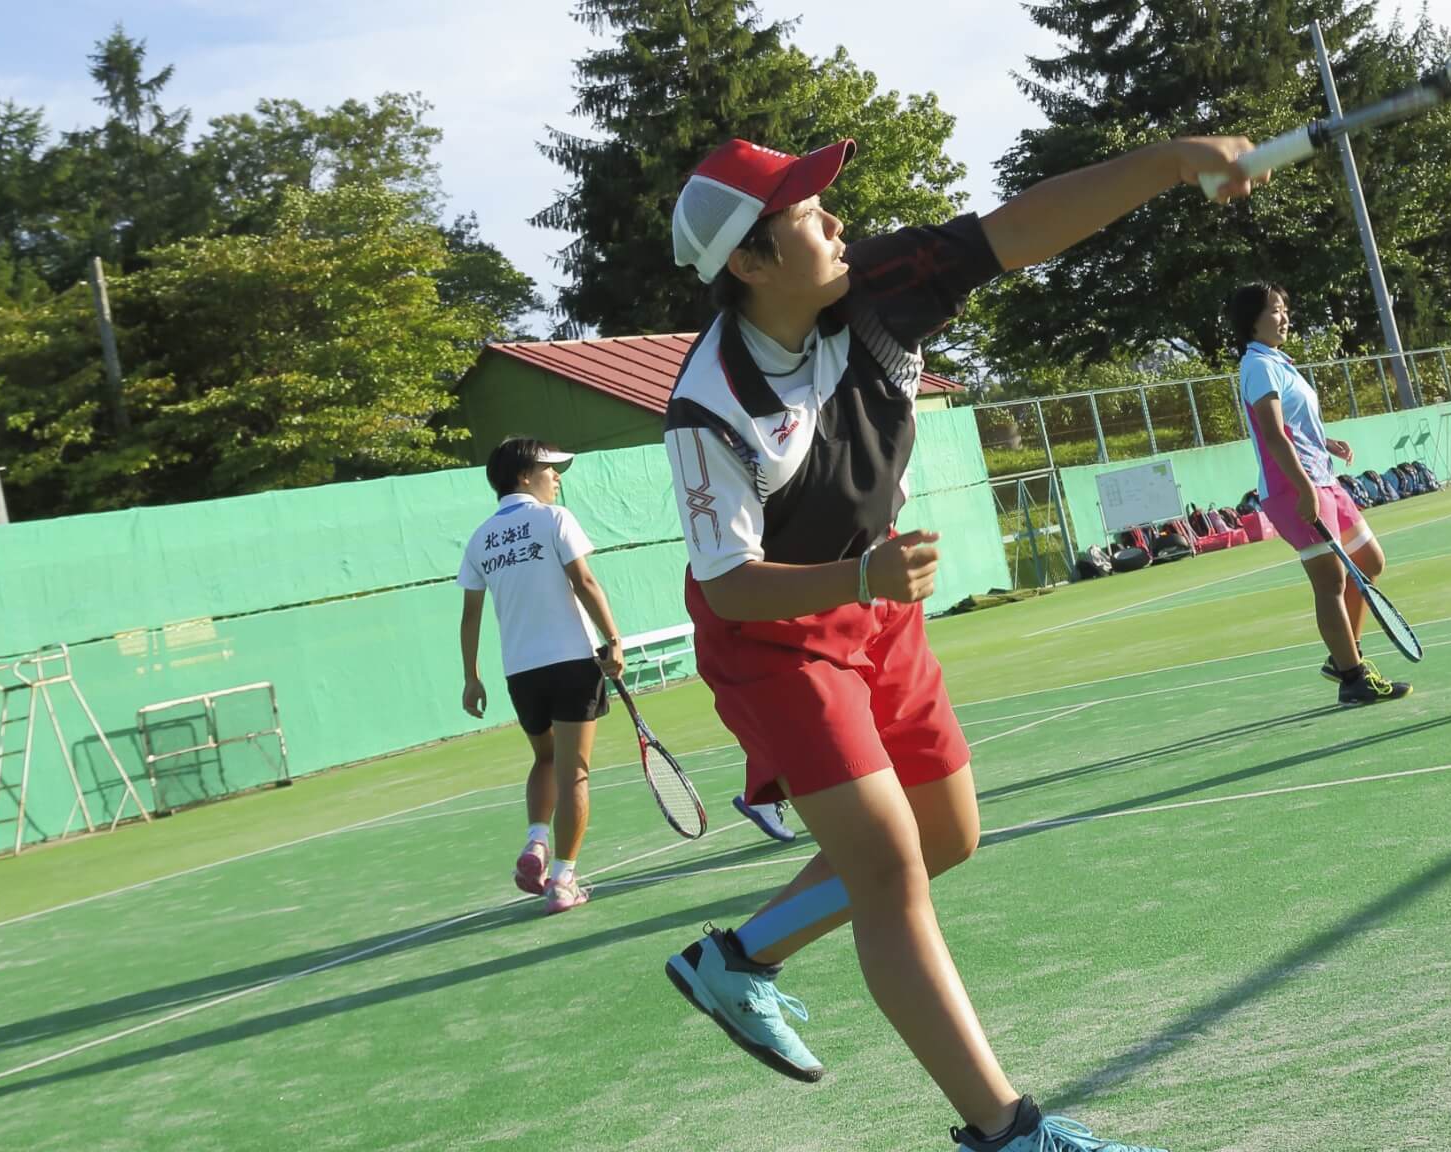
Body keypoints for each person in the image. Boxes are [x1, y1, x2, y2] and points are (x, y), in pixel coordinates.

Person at [659, 133, 1265, 1152]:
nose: (836, 223)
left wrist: (1168, 163)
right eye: (808, 216)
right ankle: (1008, 1131)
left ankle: (738, 959)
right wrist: (858, 579)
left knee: (947, 836)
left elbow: (1020, 227)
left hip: (877, 601)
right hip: (775, 632)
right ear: (749, 264)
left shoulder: (880, 287)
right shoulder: (711, 407)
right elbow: (728, 579)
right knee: (892, 870)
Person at [456, 438, 624, 914]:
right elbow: (584, 581)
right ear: (525, 477)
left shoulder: (479, 538)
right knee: (575, 771)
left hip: (520, 674)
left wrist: (472, 677)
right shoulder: (554, 520)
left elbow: (471, 615)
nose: (558, 477)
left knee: (546, 759)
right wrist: (614, 638)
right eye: (550, 470)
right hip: (572, 663)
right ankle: (565, 879)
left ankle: (536, 842)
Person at [1228, 282, 1411, 706]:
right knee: (1331, 580)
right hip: (1295, 488)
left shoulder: (1280, 363)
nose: (1284, 316)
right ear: (1251, 320)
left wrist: (1326, 442)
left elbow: (1294, 424)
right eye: (1275, 309)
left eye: (1284, 307)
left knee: (1369, 561)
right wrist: (1305, 488)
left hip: (1323, 479)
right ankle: (1352, 678)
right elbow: (1273, 435)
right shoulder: (1257, 365)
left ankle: (1344, 655)